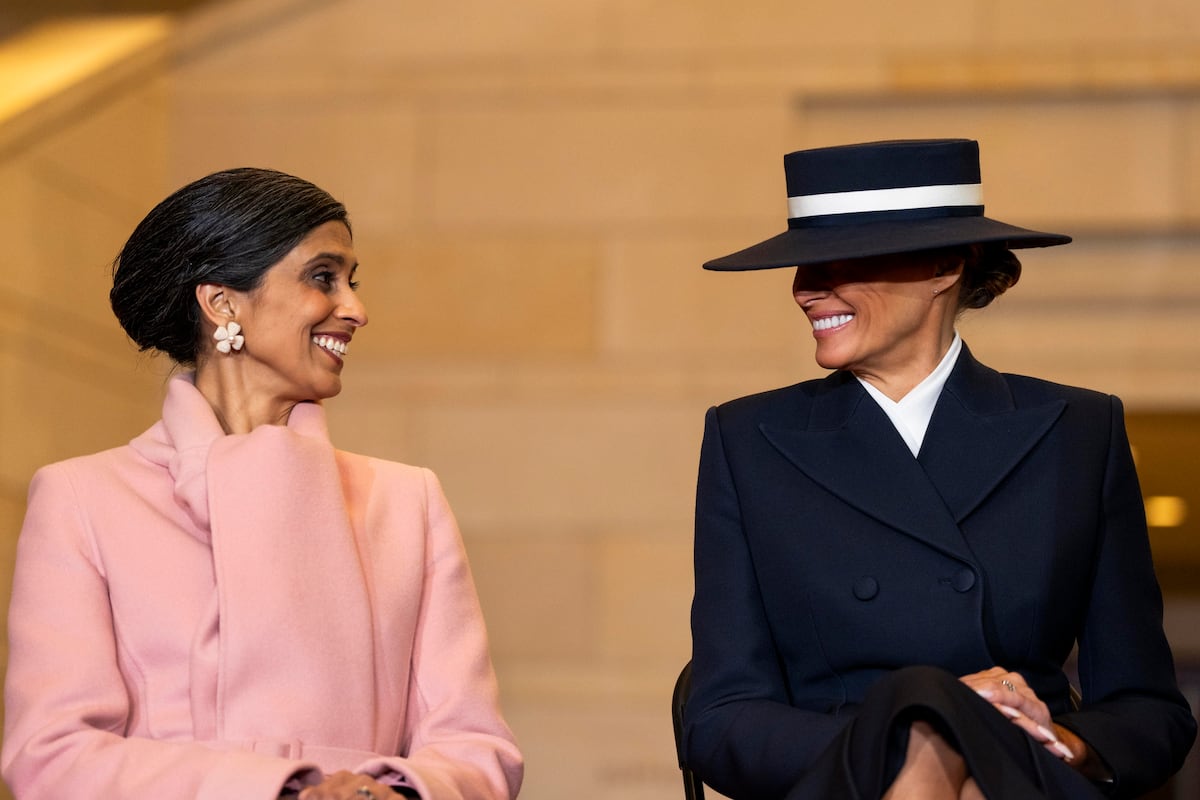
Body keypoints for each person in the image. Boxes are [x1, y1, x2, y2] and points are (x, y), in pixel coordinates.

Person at [682, 139, 1196, 799]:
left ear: (946, 265)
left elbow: (1151, 715)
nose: (805, 290)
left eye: (838, 259)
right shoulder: (745, 439)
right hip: (844, 778)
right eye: (801, 265)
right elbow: (720, 722)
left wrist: (1051, 736)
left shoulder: (1079, 432)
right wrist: (915, 728)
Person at [2, 168, 524, 800]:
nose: (357, 309)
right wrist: (277, 789)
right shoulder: (83, 498)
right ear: (223, 303)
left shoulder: (406, 500)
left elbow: (477, 746)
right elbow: (49, 757)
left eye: (351, 282)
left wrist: (394, 792)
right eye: (322, 277)